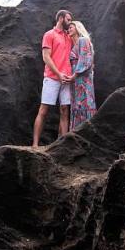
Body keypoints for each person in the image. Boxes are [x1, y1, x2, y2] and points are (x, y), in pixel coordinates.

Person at [32, 9, 74, 148]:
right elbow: (46, 57)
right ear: (61, 18)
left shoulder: (69, 36)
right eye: (68, 19)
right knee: (43, 110)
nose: (70, 22)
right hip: (52, 78)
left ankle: (62, 144)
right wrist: (58, 74)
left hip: (66, 79)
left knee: (64, 110)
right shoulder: (49, 34)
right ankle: (35, 145)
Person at [68, 20, 96, 128]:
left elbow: (85, 59)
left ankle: (85, 128)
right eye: (68, 28)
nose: (69, 29)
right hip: (76, 79)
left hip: (82, 78)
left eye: (71, 27)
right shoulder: (75, 44)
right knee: (77, 104)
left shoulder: (83, 40)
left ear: (77, 28)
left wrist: (73, 76)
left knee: (84, 102)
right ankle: (76, 129)